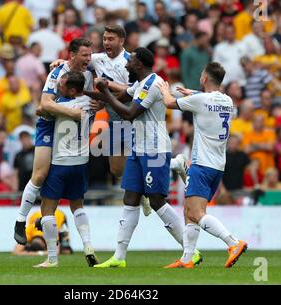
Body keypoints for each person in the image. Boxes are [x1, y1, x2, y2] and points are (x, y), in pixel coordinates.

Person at [50, 25, 188, 216]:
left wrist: (106, 87)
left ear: (121, 41)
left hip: (133, 116)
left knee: (140, 159)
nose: (106, 42)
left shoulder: (130, 62)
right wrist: (61, 62)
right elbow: (77, 62)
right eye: (105, 39)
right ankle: (170, 167)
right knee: (116, 170)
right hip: (114, 118)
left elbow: (132, 91)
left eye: (111, 39)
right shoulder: (97, 59)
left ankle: (149, 186)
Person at [86, 48, 201, 268]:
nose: (126, 66)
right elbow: (117, 98)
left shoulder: (152, 85)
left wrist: (105, 91)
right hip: (139, 149)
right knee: (130, 199)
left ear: (138, 65)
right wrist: (82, 93)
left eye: (130, 63)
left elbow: (128, 113)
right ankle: (119, 257)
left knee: (157, 201)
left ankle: (191, 251)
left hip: (154, 150)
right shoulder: (140, 83)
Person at [158, 62, 248, 269]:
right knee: (189, 211)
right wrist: (194, 93)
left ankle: (233, 242)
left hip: (201, 164)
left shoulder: (200, 100)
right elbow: (208, 100)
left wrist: (164, 89)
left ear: (205, 78)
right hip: (217, 165)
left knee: (197, 213)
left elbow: (169, 102)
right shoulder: (227, 100)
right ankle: (187, 258)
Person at [13, 38, 94, 247]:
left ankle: (57, 231)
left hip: (70, 132)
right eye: (85, 55)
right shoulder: (57, 73)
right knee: (39, 174)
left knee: (70, 182)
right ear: (73, 55)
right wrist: (71, 112)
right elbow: (44, 103)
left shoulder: (89, 74)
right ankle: (20, 221)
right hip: (49, 125)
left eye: (90, 55)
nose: (88, 59)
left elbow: (93, 99)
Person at [36, 71, 98, 268]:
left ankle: (52, 258)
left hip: (60, 163)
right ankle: (88, 246)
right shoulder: (91, 104)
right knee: (77, 206)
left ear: (71, 90)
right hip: (81, 163)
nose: (58, 88)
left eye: (61, 85)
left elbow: (41, 109)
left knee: (47, 208)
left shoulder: (59, 105)